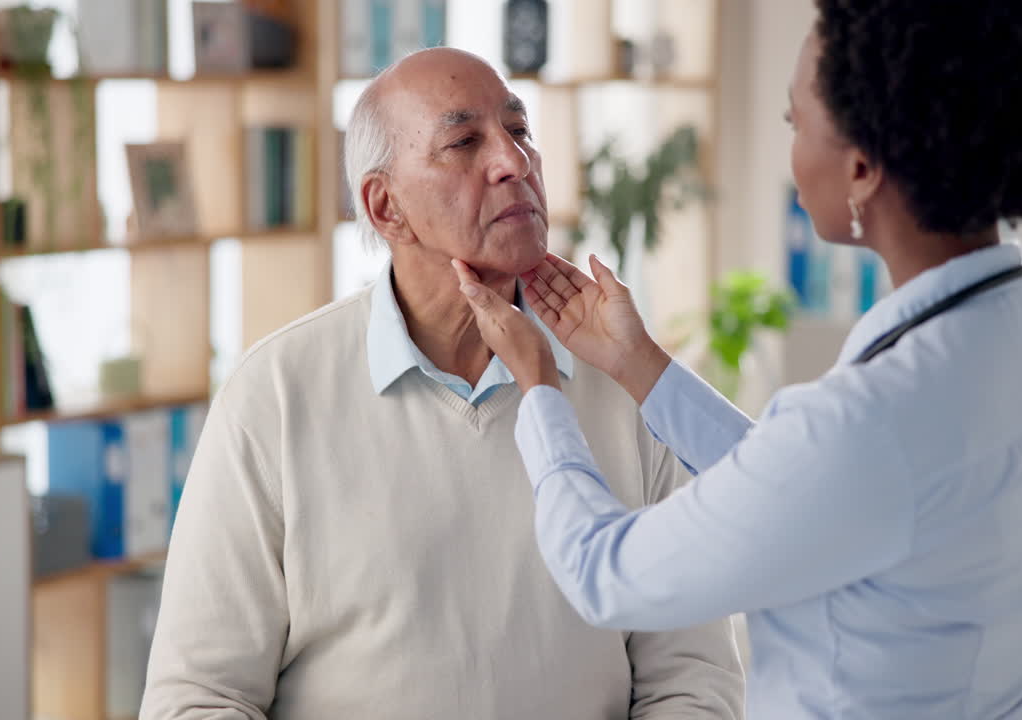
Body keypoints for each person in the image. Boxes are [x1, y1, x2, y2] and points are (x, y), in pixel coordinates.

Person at [453, 1, 1022, 718]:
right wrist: (638, 364)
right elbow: (819, 491)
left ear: (862, 167)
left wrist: (540, 387)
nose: (790, 147)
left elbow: (605, 574)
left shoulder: (872, 422)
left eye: (794, 124)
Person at [139, 48, 743, 719]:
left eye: (520, 131)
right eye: (464, 142)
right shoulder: (275, 395)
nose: (514, 162)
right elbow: (199, 697)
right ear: (385, 208)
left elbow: (694, 678)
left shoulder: (626, 386)